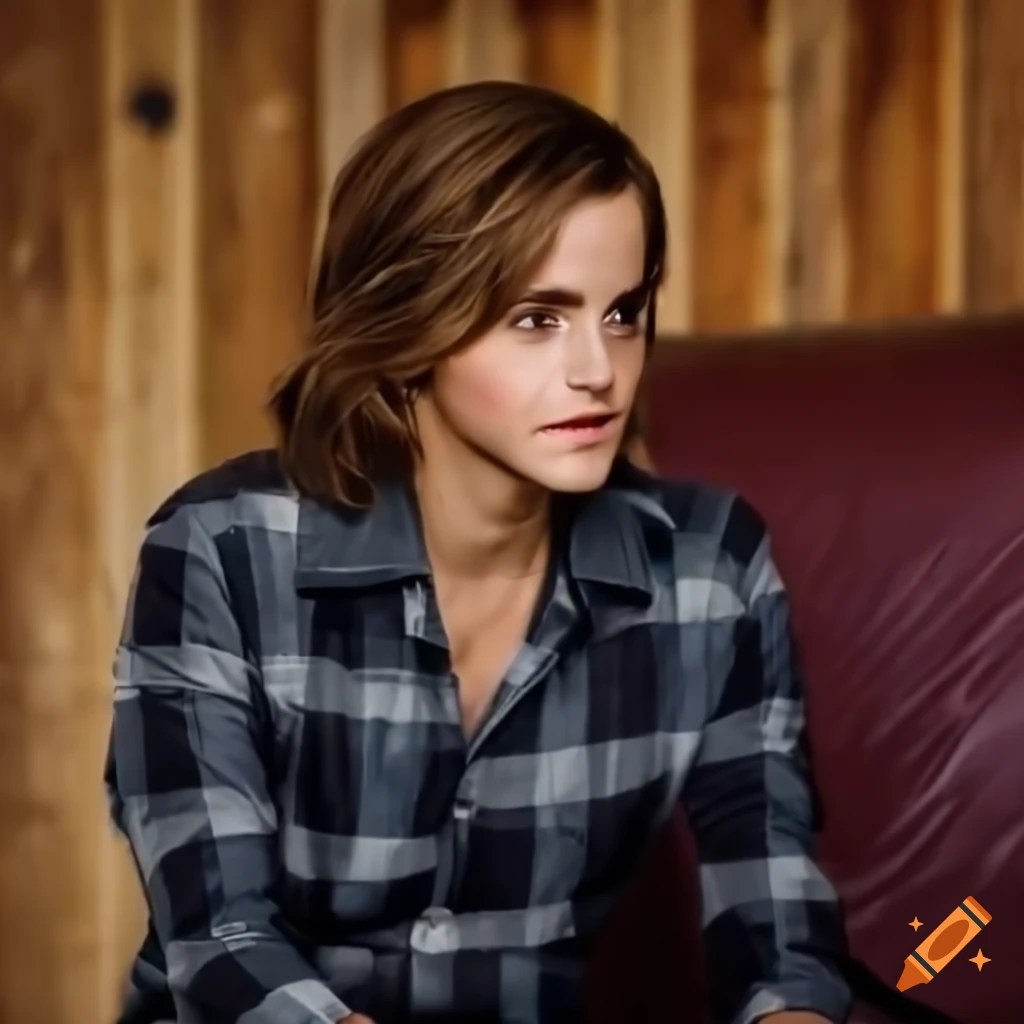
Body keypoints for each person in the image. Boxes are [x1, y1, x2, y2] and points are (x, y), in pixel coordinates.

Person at [105, 81, 852, 1024]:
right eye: (538, 318)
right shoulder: (219, 549)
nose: (598, 368)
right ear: (409, 322)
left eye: (622, 312)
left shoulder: (711, 572)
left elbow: (773, 907)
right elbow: (218, 938)